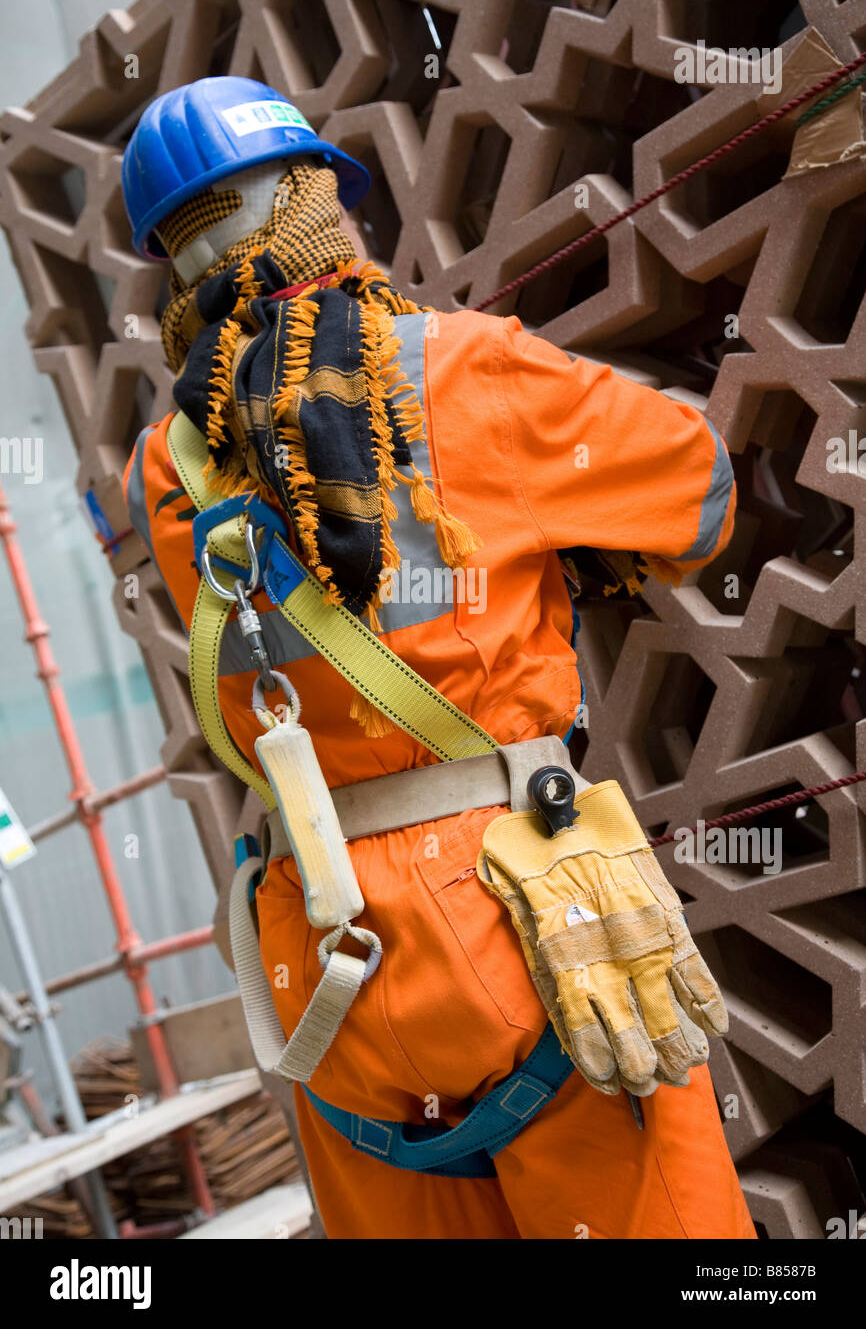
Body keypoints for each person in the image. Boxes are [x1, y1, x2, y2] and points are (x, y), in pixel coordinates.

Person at [122, 77, 755, 1240]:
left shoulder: (164, 468)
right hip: (522, 902)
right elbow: (694, 493)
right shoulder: (460, 367)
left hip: (321, 948)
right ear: (318, 203)